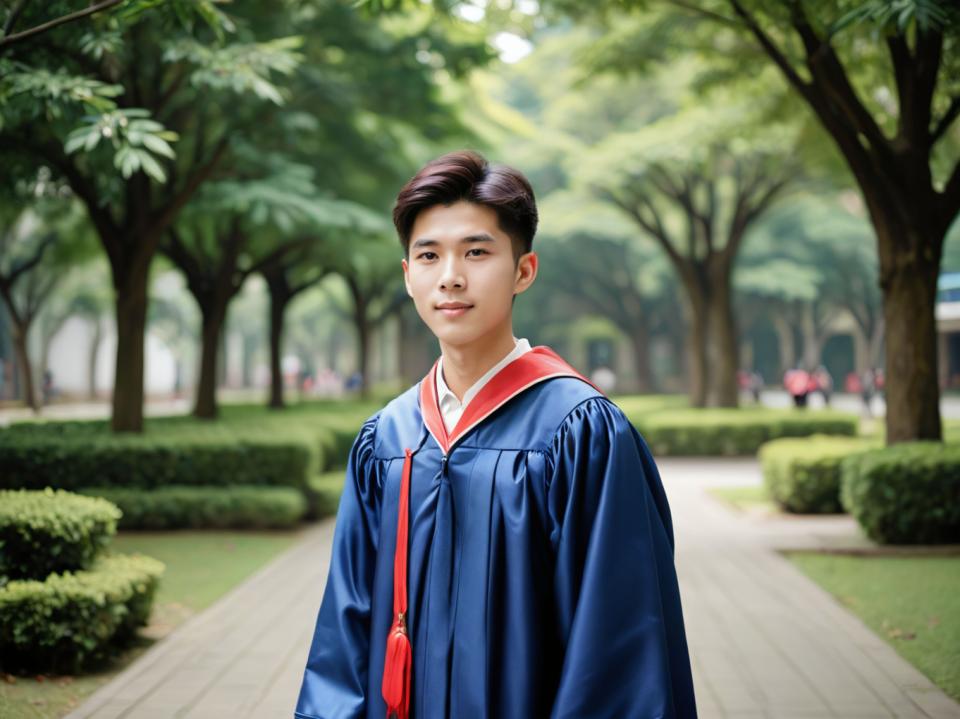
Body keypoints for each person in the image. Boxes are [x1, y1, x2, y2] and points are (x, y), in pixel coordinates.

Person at [294, 150, 698, 719]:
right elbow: (345, 634)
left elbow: (618, 648)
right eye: (429, 255)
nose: (451, 276)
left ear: (524, 271)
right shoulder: (387, 439)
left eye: (477, 252)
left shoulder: (582, 434)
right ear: (409, 277)